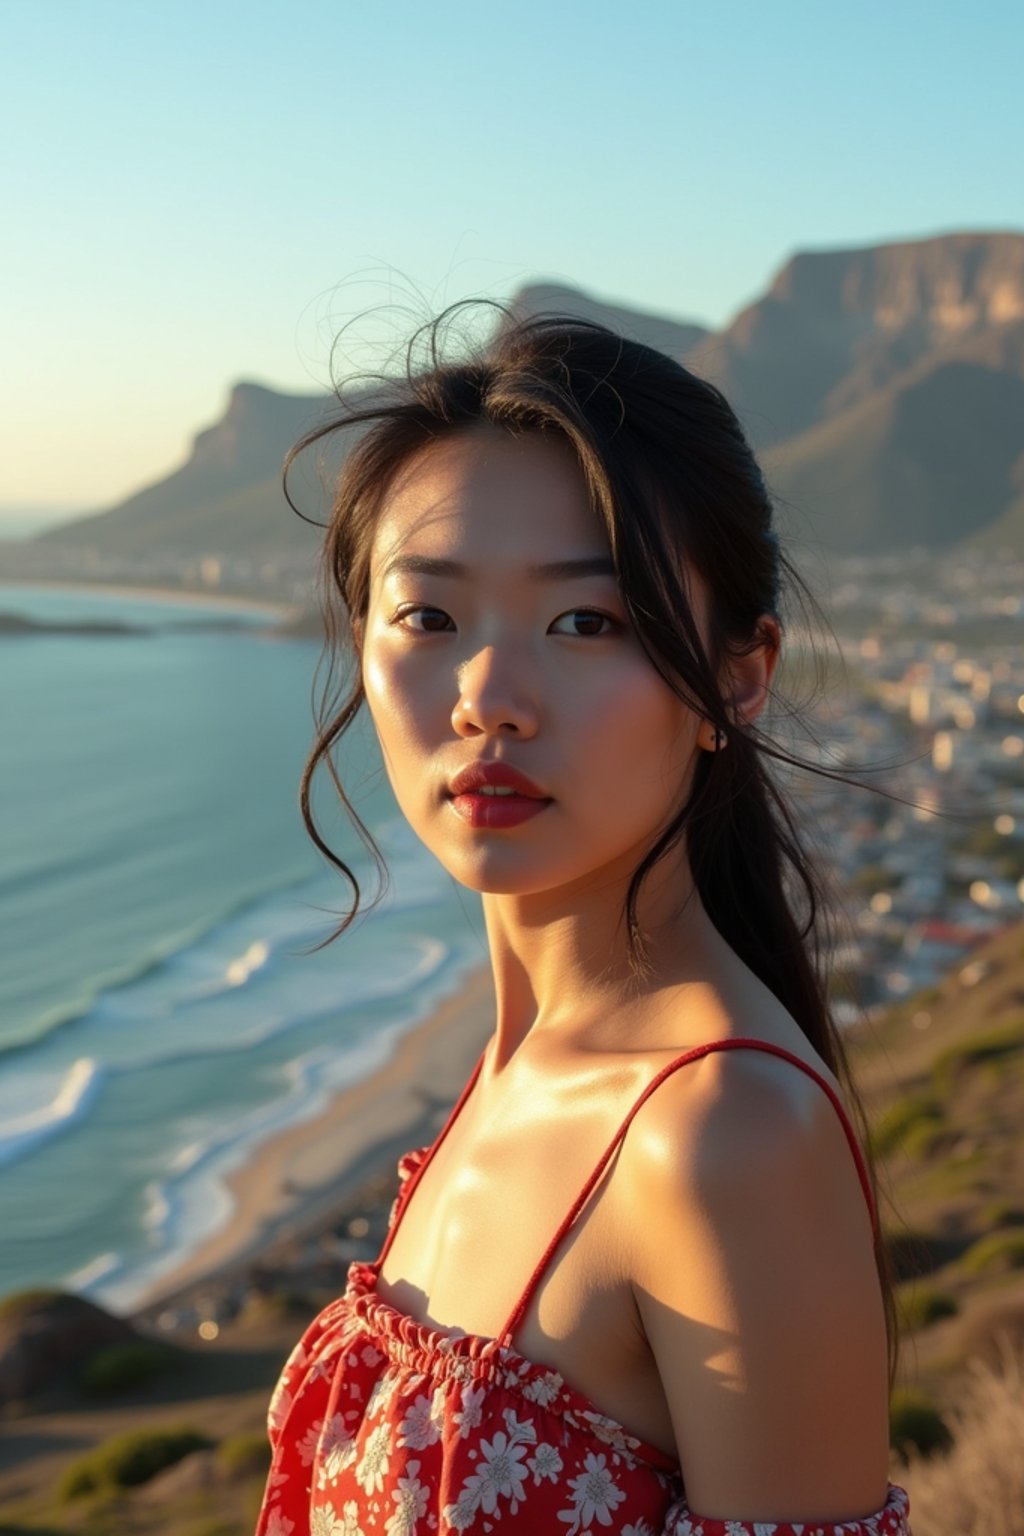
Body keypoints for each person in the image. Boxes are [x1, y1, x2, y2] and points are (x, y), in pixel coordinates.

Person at [255, 310, 913, 1535]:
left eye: (585, 623)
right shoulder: (519, 1064)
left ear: (738, 676)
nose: (488, 702)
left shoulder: (723, 1137)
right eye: (429, 618)